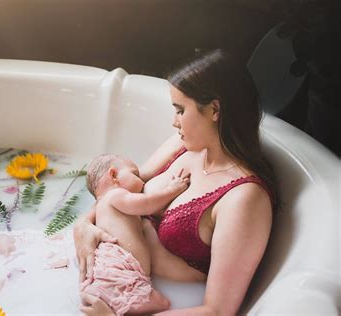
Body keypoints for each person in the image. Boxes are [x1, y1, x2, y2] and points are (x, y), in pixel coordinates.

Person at [74, 49, 278, 315]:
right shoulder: (184, 146)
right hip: (109, 277)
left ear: (215, 109)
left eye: (180, 110)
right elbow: (119, 193)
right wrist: (83, 226)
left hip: (153, 304)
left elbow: (217, 311)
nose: (174, 122)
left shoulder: (244, 199)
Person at [80, 154, 191, 315]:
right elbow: (147, 204)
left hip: (114, 277)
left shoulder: (102, 208)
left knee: (159, 302)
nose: (143, 181)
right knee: (163, 304)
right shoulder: (114, 195)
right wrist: (172, 189)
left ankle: (110, 307)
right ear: (113, 175)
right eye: (135, 174)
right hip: (119, 274)